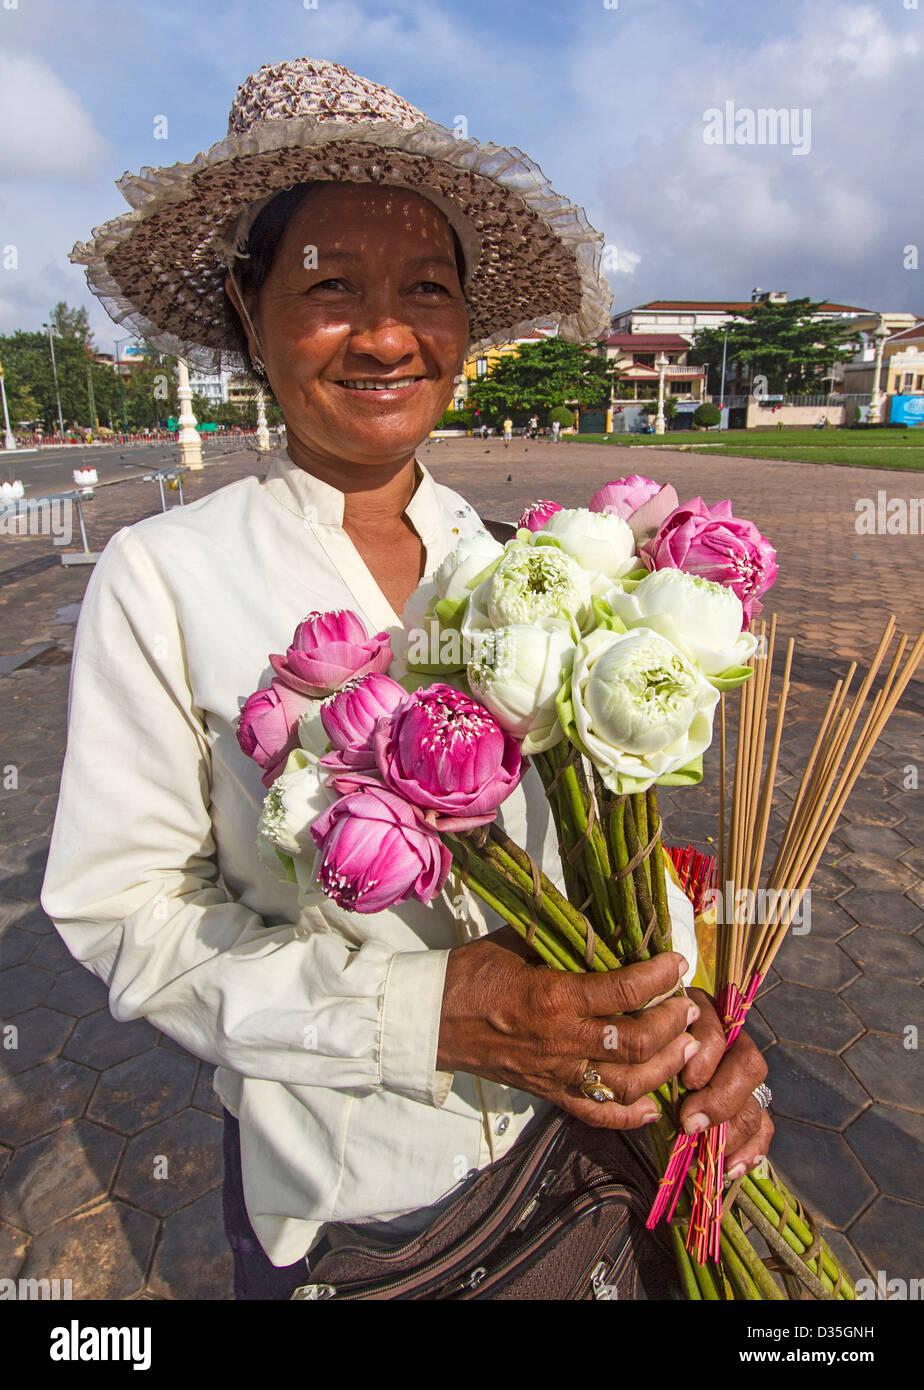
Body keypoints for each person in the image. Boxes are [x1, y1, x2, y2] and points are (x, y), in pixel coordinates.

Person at [43, 58, 771, 1300]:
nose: (386, 335)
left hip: (587, 1152)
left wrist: (687, 1020)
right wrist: (428, 1012)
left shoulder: (531, 571)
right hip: (357, 1214)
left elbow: (596, 844)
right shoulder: (162, 577)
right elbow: (128, 917)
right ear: (245, 305)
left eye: (426, 292)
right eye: (331, 289)